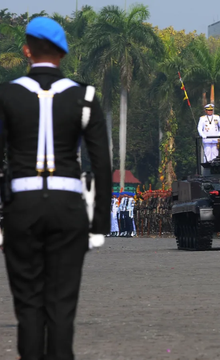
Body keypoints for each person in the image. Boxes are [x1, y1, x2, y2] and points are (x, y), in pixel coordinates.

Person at [0, 17, 111, 360]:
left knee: (29, 308)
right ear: (63, 53)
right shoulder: (86, 97)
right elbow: (101, 164)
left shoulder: (6, 95)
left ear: (26, 51)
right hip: (68, 208)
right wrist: (99, 224)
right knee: (62, 309)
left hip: (21, 208)